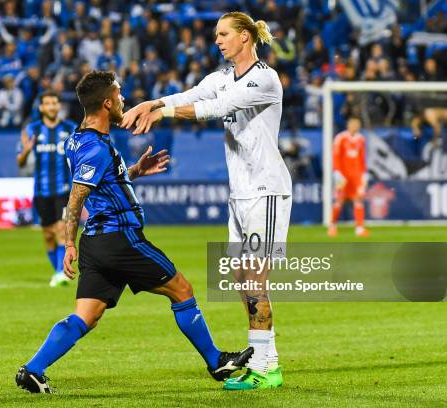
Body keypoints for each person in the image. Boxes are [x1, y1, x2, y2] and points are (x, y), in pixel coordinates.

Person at [15, 71, 252, 394]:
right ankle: (217, 362)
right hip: (120, 238)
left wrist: (133, 172)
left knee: (86, 315)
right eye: (120, 94)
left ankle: (33, 369)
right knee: (182, 290)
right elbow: (76, 198)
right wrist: (68, 242)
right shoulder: (95, 148)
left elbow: (101, 185)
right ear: (108, 103)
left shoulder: (77, 138)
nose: (124, 99)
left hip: (97, 244)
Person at [121, 12, 292, 391]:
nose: (217, 40)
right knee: (239, 278)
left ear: (245, 37)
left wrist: (161, 113)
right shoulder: (221, 76)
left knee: (253, 281)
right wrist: (148, 103)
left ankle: (266, 368)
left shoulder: (264, 77)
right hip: (240, 192)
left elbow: (212, 109)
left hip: (265, 190)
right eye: (216, 34)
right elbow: (190, 95)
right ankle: (267, 360)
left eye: (224, 34)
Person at [16, 90, 77, 287]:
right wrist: (25, 151)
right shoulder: (32, 130)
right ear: (41, 108)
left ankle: (61, 273)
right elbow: (20, 162)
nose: (51, 106)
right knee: (48, 234)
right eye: (47, 103)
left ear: (59, 106)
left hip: (64, 189)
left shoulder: (70, 128)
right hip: (41, 191)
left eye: (54, 103)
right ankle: (58, 272)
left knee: (61, 229)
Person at [328, 117, 369, 237]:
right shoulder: (340, 138)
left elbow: (362, 158)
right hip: (343, 175)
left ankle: (360, 228)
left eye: (357, 124)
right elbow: (336, 156)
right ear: (348, 125)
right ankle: (332, 226)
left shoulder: (361, 139)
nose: (355, 126)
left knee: (358, 199)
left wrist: (364, 174)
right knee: (339, 200)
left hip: (356, 175)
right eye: (353, 124)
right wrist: (337, 172)